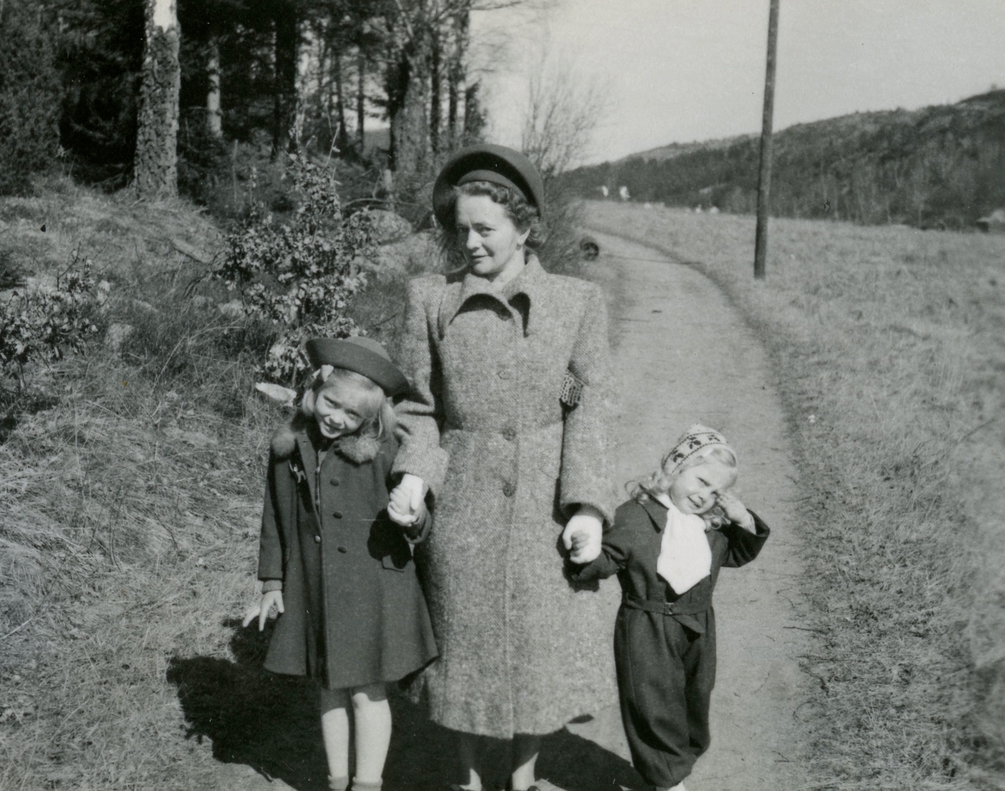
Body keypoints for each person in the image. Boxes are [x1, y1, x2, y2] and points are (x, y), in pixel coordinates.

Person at [386, 143, 616, 791]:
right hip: (464, 504)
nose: (472, 243)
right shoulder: (429, 300)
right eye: (462, 229)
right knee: (463, 654)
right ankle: (466, 778)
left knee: (535, 655)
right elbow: (418, 406)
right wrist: (413, 473)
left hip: (542, 506)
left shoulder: (576, 303)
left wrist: (588, 506)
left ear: (525, 226)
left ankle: (523, 777)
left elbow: (593, 408)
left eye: (486, 228)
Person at [244, 336, 438, 791]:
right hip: (313, 584)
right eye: (333, 405)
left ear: (370, 419)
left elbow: (421, 513)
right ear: (316, 388)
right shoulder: (291, 444)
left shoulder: (387, 449)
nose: (338, 419)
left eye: (353, 416)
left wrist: (415, 515)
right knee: (328, 687)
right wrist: (273, 581)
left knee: (368, 693)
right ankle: (336, 779)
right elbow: (274, 516)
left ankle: (367, 784)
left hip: (373, 587)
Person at [570, 425, 770, 791]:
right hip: (647, 623)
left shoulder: (710, 526)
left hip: (697, 625)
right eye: (701, 480)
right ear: (676, 468)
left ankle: (675, 764)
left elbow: (738, 553)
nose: (704, 495)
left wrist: (743, 520)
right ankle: (667, 780)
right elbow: (606, 559)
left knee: (694, 699)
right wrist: (585, 550)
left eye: (716, 492)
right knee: (653, 703)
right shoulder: (635, 516)